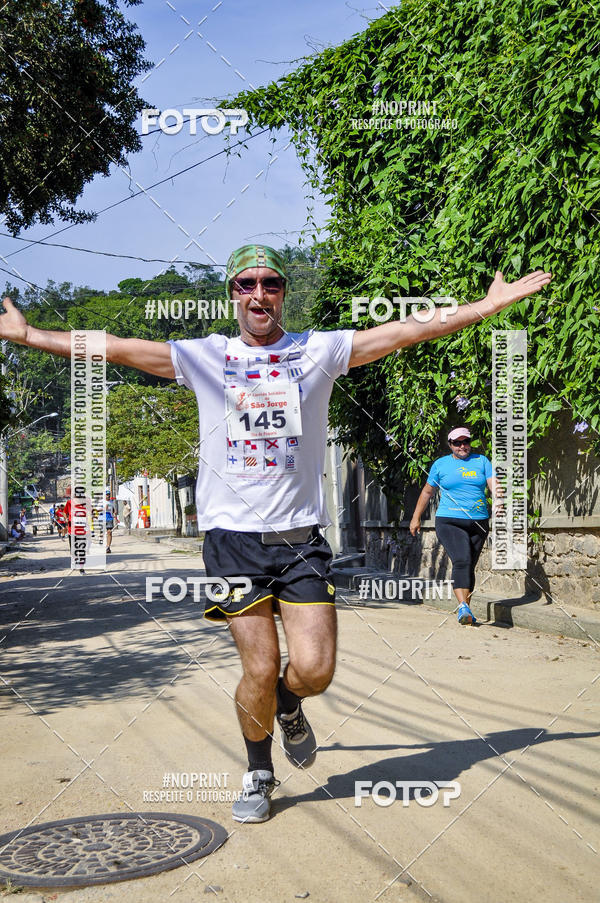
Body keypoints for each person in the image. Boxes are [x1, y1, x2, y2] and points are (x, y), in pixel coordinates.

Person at [0, 247, 551, 823]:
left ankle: (290, 705)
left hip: (300, 542)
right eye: (246, 284)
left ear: (282, 292)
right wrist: (30, 334)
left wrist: (486, 308)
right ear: (233, 293)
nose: (258, 293)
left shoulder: (317, 351)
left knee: (313, 670)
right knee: (258, 668)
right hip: (232, 542)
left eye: (270, 283)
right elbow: (117, 348)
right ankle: (259, 771)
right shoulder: (204, 357)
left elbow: (401, 332)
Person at [410, 427, 501, 625]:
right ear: (450, 445)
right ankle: (462, 607)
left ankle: (466, 609)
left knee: (469, 566)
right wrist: (416, 517)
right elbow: (427, 493)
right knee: (462, 559)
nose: (462, 446)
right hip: (449, 521)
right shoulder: (440, 465)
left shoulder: (482, 461)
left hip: (479, 522)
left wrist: (499, 501)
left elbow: (494, 484)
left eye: (465, 442)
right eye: (457, 443)